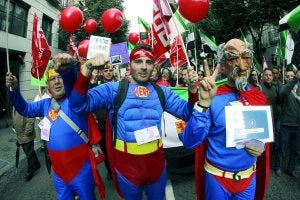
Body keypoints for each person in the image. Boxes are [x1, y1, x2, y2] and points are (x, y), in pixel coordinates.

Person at [55, 44, 198, 200]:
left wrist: (193, 91)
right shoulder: (113, 89)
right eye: (138, 61)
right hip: (127, 168)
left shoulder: (162, 92)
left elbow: (188, 113)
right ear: (129, 65)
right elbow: (78, 105)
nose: (143, 67)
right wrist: (77, 73)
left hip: (156, 166)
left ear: (154, 66)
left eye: (148, 62)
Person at [180, 39, 270, 200]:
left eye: (246, 56)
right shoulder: (213, 97)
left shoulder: (259, 97)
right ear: (222, 66)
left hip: (248, 178)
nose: (242, 65)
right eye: (233, 58)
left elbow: (263, 136)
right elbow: (190, 141)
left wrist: (262, 145)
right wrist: (203, 104)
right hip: (217, 179)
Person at [6, 64, 104, 200]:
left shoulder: (77, 101)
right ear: (47, 85)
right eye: (52, 79)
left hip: (82, 170)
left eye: (60, 77)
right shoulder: (45, 104)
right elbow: (25, 109)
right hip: (59, 173)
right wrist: (14, 89)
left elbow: (81, 86)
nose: (57, 81)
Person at [275, 69, 300, 178]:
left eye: (292, 76)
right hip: (286, 125)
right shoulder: (284, 88)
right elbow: (282, 94)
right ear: (285, 78)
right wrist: (294, 80)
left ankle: (291, 169)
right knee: (282, 148)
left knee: (296, 150)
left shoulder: (298, 90)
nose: (290, 77)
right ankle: (278, 167)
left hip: (298, 126)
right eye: (288, 76)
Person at [12, 106, 40, 182]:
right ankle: (37, 164)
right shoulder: (14, 106)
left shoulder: (23, 105)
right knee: (29, 151)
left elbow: (30, 119)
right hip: (21, 135)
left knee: (29, 154)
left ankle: (30, 171)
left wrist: (27, 132)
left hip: (27, 135)